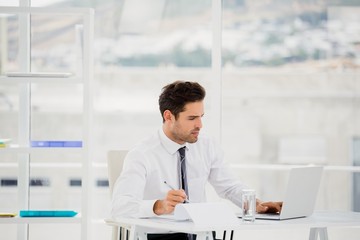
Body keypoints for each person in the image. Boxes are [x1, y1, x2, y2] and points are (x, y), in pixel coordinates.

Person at [111, 80, 282, 239]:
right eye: (192, 118)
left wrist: (257, 205)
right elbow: (120, 206)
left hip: (201, 234)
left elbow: (229, 187)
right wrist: (159, 206)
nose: (200, 125)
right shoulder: (142, 154)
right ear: (169, 116)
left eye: (201, 116)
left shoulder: (206, 145)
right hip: (160, 236)